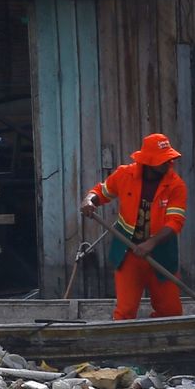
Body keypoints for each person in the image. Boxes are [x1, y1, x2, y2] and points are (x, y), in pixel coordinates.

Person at [81, 132, 187, 321]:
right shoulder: (125, 174)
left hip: (161, 253)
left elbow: (175, 222)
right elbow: (100, 192)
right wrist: (89, 201)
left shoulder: (175, 185)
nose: (168, 164)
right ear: (148, 162)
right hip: (127, 251)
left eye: (169, 159)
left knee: (171, 312)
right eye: (163, 161)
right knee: (125, 311)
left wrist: (151, 243)